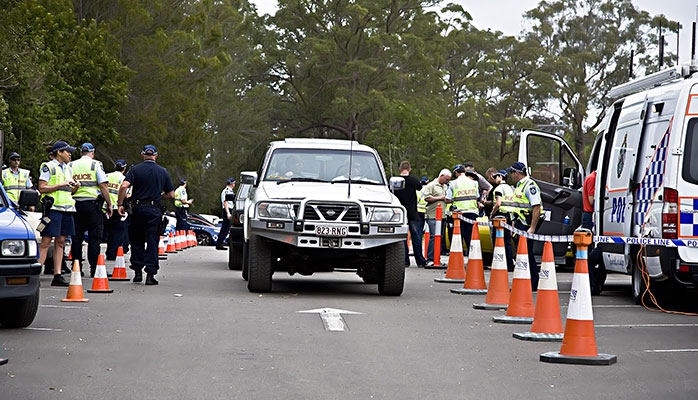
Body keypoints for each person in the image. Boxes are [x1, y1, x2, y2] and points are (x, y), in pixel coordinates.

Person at [117, 145, 174, 286]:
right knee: (152, 241)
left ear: (143, 154)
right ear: (156, 155)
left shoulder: (135, 170)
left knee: (136, 240)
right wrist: (159, 196)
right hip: (154, 210)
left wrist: (120, 203)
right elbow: (171, 194)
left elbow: (124, 186)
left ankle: (137, 272)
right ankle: (150, 274)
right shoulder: (163, 172)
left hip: (137, 209)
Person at [37, 141, 80, 287]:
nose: (70, 154)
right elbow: (42, 188)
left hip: (67, 209)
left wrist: (76, 187)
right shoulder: (48, 166)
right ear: (59, 152)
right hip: (53, 208)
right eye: (67, 151)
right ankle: (36, 274)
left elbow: (70, 191)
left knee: (61, 242)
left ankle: (57, 274)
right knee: (46, 242)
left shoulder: (68, 169)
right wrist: (61, 184)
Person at [69, 143, 113, 277]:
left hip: (75, 204)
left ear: (81, 152)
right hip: (92, 205)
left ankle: (76, 267)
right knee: (95, 237)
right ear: (92, 153)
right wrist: (109, 204)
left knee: (76, 237)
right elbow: (103, 185)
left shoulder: (71, 165)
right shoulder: (96, 164)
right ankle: (94, 268)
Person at [507, 161, 541, 291]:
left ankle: (532, 282)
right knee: (522, 254)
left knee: (527, 254)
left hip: (527, 225)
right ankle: (524, 281)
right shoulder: (519, 185)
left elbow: (536, 207)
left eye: (512, 172)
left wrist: (532, 228)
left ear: (517, 173)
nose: (511, 175)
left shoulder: (529, 185)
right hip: (520, 224)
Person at [393, 161, 426, 267]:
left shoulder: (396, 181)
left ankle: (405, 261)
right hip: (412, 212)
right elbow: (420, 187)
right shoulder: (413, 180)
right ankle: (420, 261)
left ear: (399, 169)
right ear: (410, 169)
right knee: (416, 237)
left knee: (402, 238)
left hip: (400, 213)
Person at [445, 165, 480, 257]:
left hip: (459, 213)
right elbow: (476, 197)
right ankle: (473, 258)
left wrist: (453, 200)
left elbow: (448, 199)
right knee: (470, 238)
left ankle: (457, 259)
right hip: (472, 212)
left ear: (456, 173)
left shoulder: (453, 183)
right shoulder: (474, 183)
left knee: (457, 237)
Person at [485, 167, 515, 271]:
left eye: (495, 176)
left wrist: (492, 214)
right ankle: (509, 265)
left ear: (500, 177)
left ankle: (498, 264)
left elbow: (498, 204)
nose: (493, 178)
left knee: (497, 242)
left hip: (499, 217)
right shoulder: (511, 189)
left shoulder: (498, 189)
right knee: (507, 242)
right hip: (509, 217)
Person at [583, 169, 605, 294]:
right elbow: (592, 200)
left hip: (591, 216)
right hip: (590, 216)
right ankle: (593, 283)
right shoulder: (593, 179)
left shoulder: (592, 177)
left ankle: (596, 283)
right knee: (592, 254)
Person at [423, 168, 451, 266]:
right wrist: (441, 198)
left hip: (442, 215)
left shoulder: (445, 187)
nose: (447, 181)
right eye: (446, 179)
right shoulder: (431, 185)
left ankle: (436, 258)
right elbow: (427, 198)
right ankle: (430, 258)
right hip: (433, 215)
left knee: (440, 237)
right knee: (433, 237)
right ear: (441, 176)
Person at [104, 159, 129, 261]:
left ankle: (108, 252)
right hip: (117, 208)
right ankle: (112, 253)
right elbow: (128, 195)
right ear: (124, 168)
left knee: (107, 231)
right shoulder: (125, 179)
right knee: (116, 232)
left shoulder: (106, 176)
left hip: (105, 207)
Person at [215, 177, 236, 250]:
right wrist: (228, 213)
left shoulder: (229, 191)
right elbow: (225, 202)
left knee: (226, 228)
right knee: (225, 228)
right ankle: (219, 243)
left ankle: (221, 242)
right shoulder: (227, 191)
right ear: (232, 184)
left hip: (229, 209)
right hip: (227, 209)